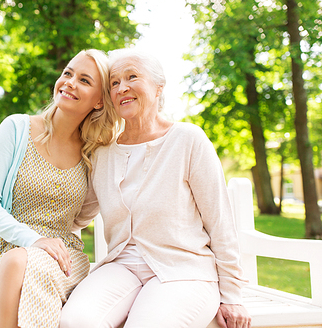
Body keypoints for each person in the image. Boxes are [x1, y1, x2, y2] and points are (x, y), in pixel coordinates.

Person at [0, 48, 119, 328]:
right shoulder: (17, 129)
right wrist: (33, 240)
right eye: (68, 73)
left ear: (100, 101)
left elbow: (83, 215)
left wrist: (44, 244)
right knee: (17, 262)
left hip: (62, 257)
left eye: (84, 80)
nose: (69, 82)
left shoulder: (93, 153)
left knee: (23, 266)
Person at [60, 48, 252, 328]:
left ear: (159, 87)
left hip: (183, 270)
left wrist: (233, 295)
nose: (122, 87)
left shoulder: (188, 139)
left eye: (132, 77)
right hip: (121, 266)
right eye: (114, 82)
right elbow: (78, 214)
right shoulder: (104, 153)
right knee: (75, 321)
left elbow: (220, 222)